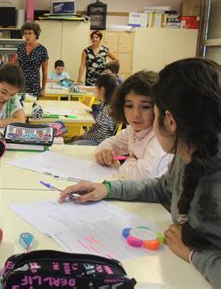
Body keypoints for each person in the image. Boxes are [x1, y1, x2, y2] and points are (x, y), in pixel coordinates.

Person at [59, 58, 221, 288]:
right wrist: (106, 188)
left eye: (151, 110)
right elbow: (162, 187)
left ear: (169, 120)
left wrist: (194, 255)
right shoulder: (188, 152)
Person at [94, 71, 171, 180]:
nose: (135, 114)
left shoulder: (161, 137)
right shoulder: (132, 130)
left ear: (158, 108)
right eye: (129, 106)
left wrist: (129, 159)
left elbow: (145, 175)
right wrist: (105, 152)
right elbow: (108, 143)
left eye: (145, 107)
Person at [67, 73, 118, 146]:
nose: (94, 91)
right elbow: (96, 126)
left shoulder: (108, 108)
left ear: (102, 90)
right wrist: (84, 135)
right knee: (70, 142)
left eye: (95, 88)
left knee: (71, 145)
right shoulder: (103, 104)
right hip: (96, 139)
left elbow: (101, 134)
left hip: (101, 143)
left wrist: (82, 136)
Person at [17, 22, 49, 97]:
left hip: (34, 85)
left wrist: (44, 88)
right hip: (20, 83)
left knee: (33, 107)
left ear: (36, 35)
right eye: (25, 33)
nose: (27, 36)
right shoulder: (20, 48)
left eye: (30, 33)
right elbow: (14, 65)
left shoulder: (42, 49)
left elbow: (45, 71)